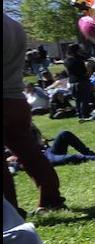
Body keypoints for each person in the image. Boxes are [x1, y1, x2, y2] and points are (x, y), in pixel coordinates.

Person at [2, 14, 63, 216]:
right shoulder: (14, 25)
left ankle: (10, 212)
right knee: (30, 153)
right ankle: (51, 198)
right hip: (16, 98)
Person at [62, 44, 93, 120]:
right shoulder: (78, 59)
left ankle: (79, 114)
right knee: (85, 99)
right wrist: (89, 67)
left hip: (72, 82)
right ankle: (85, 115)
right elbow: (85, 72)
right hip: (82, 80)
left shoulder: (66, 60)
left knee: (77, 100)